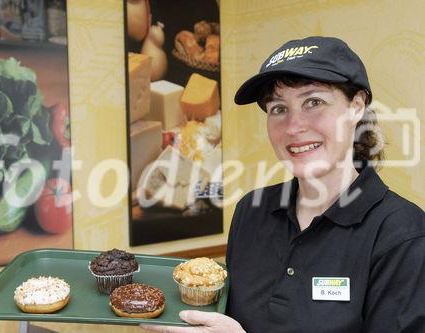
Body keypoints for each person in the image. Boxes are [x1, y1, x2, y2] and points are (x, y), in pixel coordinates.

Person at [141, 36, 425, 333]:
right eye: (278, 108)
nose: (293, 127)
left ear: (355, 107)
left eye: (313, 102)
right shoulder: (252, 212)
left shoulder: (402, 233)